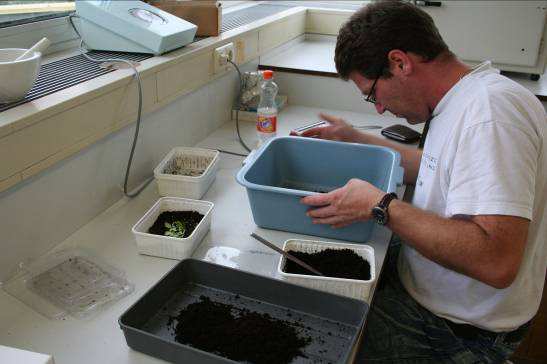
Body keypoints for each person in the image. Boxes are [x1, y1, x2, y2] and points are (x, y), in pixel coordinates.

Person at [293, 1, 547, 362]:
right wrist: (354, 138)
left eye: (372, 94)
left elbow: (496, 262)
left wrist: (380, 206)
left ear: (400, 62)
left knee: (318, 333)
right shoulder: (463, 98)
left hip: (455, 329)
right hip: (431, 286)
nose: (378, 109)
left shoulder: (490, 117)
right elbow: (434, 166)